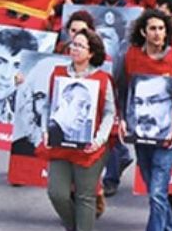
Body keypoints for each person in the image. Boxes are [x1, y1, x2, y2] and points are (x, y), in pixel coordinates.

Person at [118, 9, 172, 231]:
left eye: (161, 28)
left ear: (167, 32)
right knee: (154, 192)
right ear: (143, 32)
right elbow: (121, 92)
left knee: (157, 193)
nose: (157, 33)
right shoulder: (130, 57)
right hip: (140, 135)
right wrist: (122, 119)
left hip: (167, 137)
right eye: (152, 28)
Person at [40, 29, 114, 231]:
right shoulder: (58, 73)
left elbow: (109, 113)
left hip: (89, 148)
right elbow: (48, 105)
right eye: (73, 44)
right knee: (57, 193)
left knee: (85, 196)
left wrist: (99, 140)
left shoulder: (102, 79)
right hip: (60, 144)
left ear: (91, 53)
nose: (75, 49)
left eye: (81, 46)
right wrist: (45, 130)